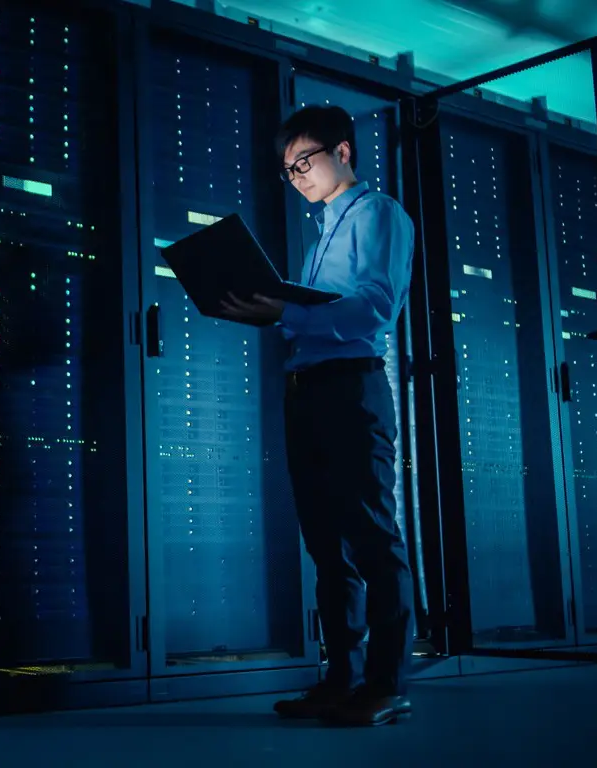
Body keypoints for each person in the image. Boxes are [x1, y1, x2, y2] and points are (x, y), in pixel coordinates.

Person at [219, 104, 415, 727]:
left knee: (371, 539)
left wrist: (286, 314)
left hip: (350, 391)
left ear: (344, 152)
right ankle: (340, 680)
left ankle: (386, 684)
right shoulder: (319, 235)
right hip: (307, 389)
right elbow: (315, 315)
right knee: (327, 547)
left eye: (304, 160)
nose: (297, 174)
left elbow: (372, 311)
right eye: (287, 168)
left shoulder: (377, 213)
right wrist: (267, 308)